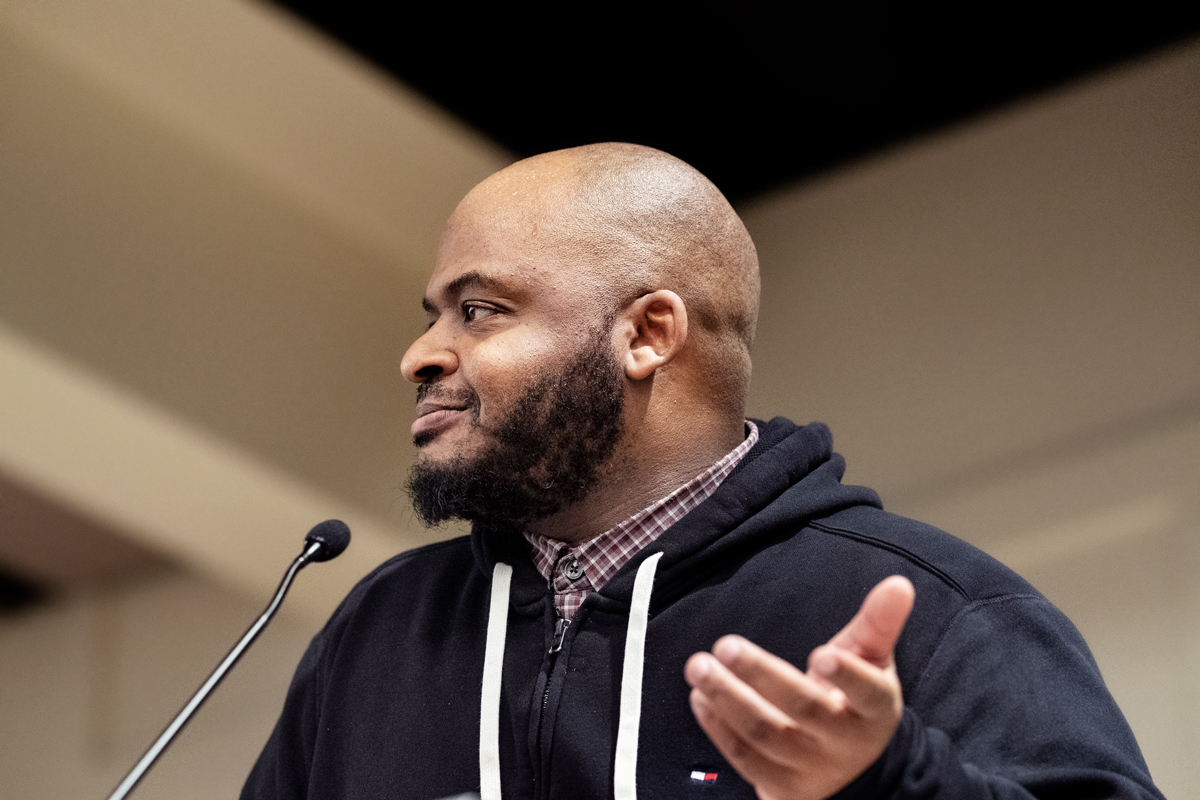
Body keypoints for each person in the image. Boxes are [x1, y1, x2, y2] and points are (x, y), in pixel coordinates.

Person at [241, 143, 1162, 800]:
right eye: (433, 315)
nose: (419, 355)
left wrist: (888, 782)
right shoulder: (381, 633)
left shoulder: (932, 610)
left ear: (647, 335)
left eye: (480, 311)